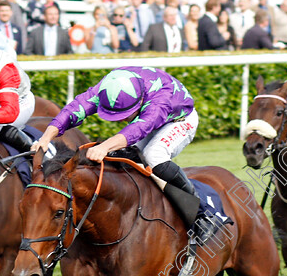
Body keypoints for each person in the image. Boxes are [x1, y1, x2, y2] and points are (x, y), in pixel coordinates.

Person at [32, 67, 215, 243]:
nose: (119, 120)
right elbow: (76, 108)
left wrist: (104, 146)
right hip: (146, 117)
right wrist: (46, 137)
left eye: (123, 115)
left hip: (179, 120)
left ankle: (203, 215)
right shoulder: (107, 87)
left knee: (153, 156)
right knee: (120, 156)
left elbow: (139, 128)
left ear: (141, 99)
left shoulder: (161, 100)